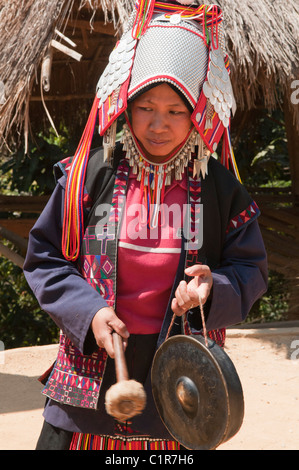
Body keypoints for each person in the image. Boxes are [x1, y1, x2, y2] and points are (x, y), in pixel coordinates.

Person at [23, 1, 267, 450]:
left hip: (183, 395)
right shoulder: (87, 175)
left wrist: (212, 289)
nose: (159, 125)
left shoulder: (219, 189)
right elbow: (45, 261)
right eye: (146, 107)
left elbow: (251, 272)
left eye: (176, 110)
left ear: (196, 111)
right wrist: (90, 313)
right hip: (88, 389)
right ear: (126, 105)